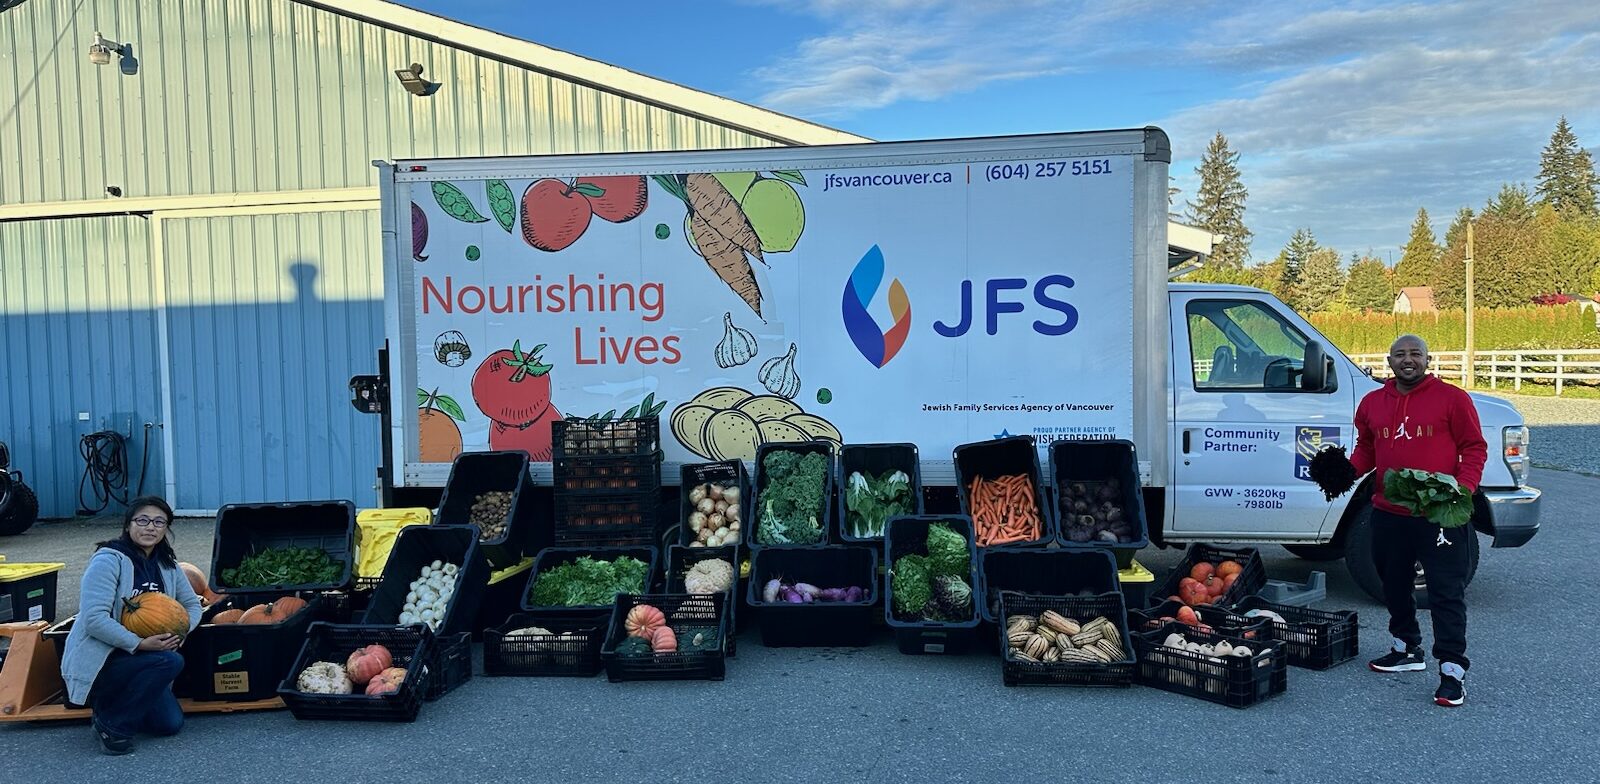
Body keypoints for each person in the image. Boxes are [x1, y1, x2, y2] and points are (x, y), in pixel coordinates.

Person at [1348, 334, 1487, 707]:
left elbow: (1474, 447)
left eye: (1416, 354)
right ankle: (1406, 648)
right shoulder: (1372, 403)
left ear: (1427, 359)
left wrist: (1464, 487)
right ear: (1389, 360)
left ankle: (1452, 670)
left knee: (1445, 591)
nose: (1408, 359)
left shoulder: (1453, 399)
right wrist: (1344, 472)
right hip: (1389, 513)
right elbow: (1367, 448)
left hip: (1439, 512)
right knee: (1393, 583)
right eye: (1400, 354)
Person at [60, 496, 203, 754]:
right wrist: (138, 643)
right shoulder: (108, 560)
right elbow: (94, 619)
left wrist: (182, 631)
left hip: (145, 662)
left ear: (166, 529)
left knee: (168, 724)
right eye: (143, 520)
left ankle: (114, 707)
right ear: (128, 525)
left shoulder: (167, 565)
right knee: (170, 661)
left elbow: (192, 606)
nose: (150, 527)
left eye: (159, 522)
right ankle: (112, 726)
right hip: (105, 661)